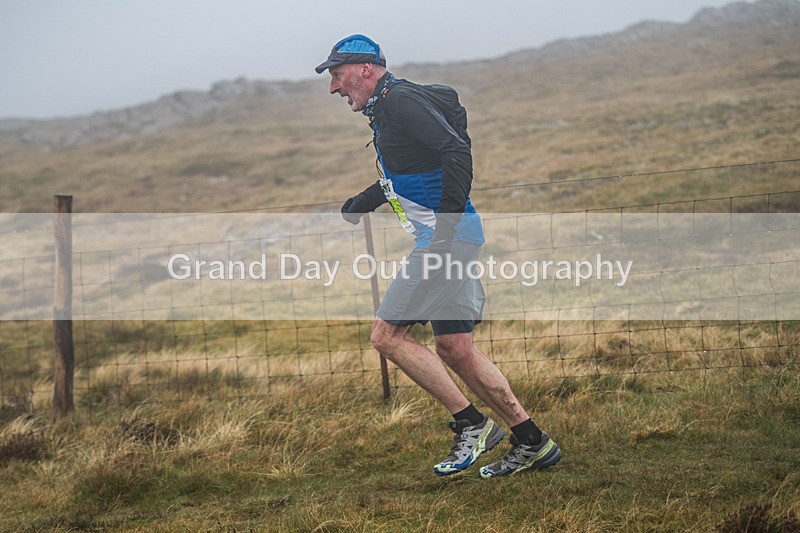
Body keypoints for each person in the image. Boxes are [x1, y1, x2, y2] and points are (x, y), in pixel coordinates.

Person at [315, 34, 561, 478]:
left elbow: (455, 151)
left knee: (386, 337)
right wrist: (364, 200)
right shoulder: (384, 109)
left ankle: (472, 424)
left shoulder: (400, 102)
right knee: (455, 348)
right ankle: (533, 442)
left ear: (365, 69)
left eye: (337, 75)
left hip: (444, 240)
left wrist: (444, 229)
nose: (333, 87)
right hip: (455, 236)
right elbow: (413, 173)